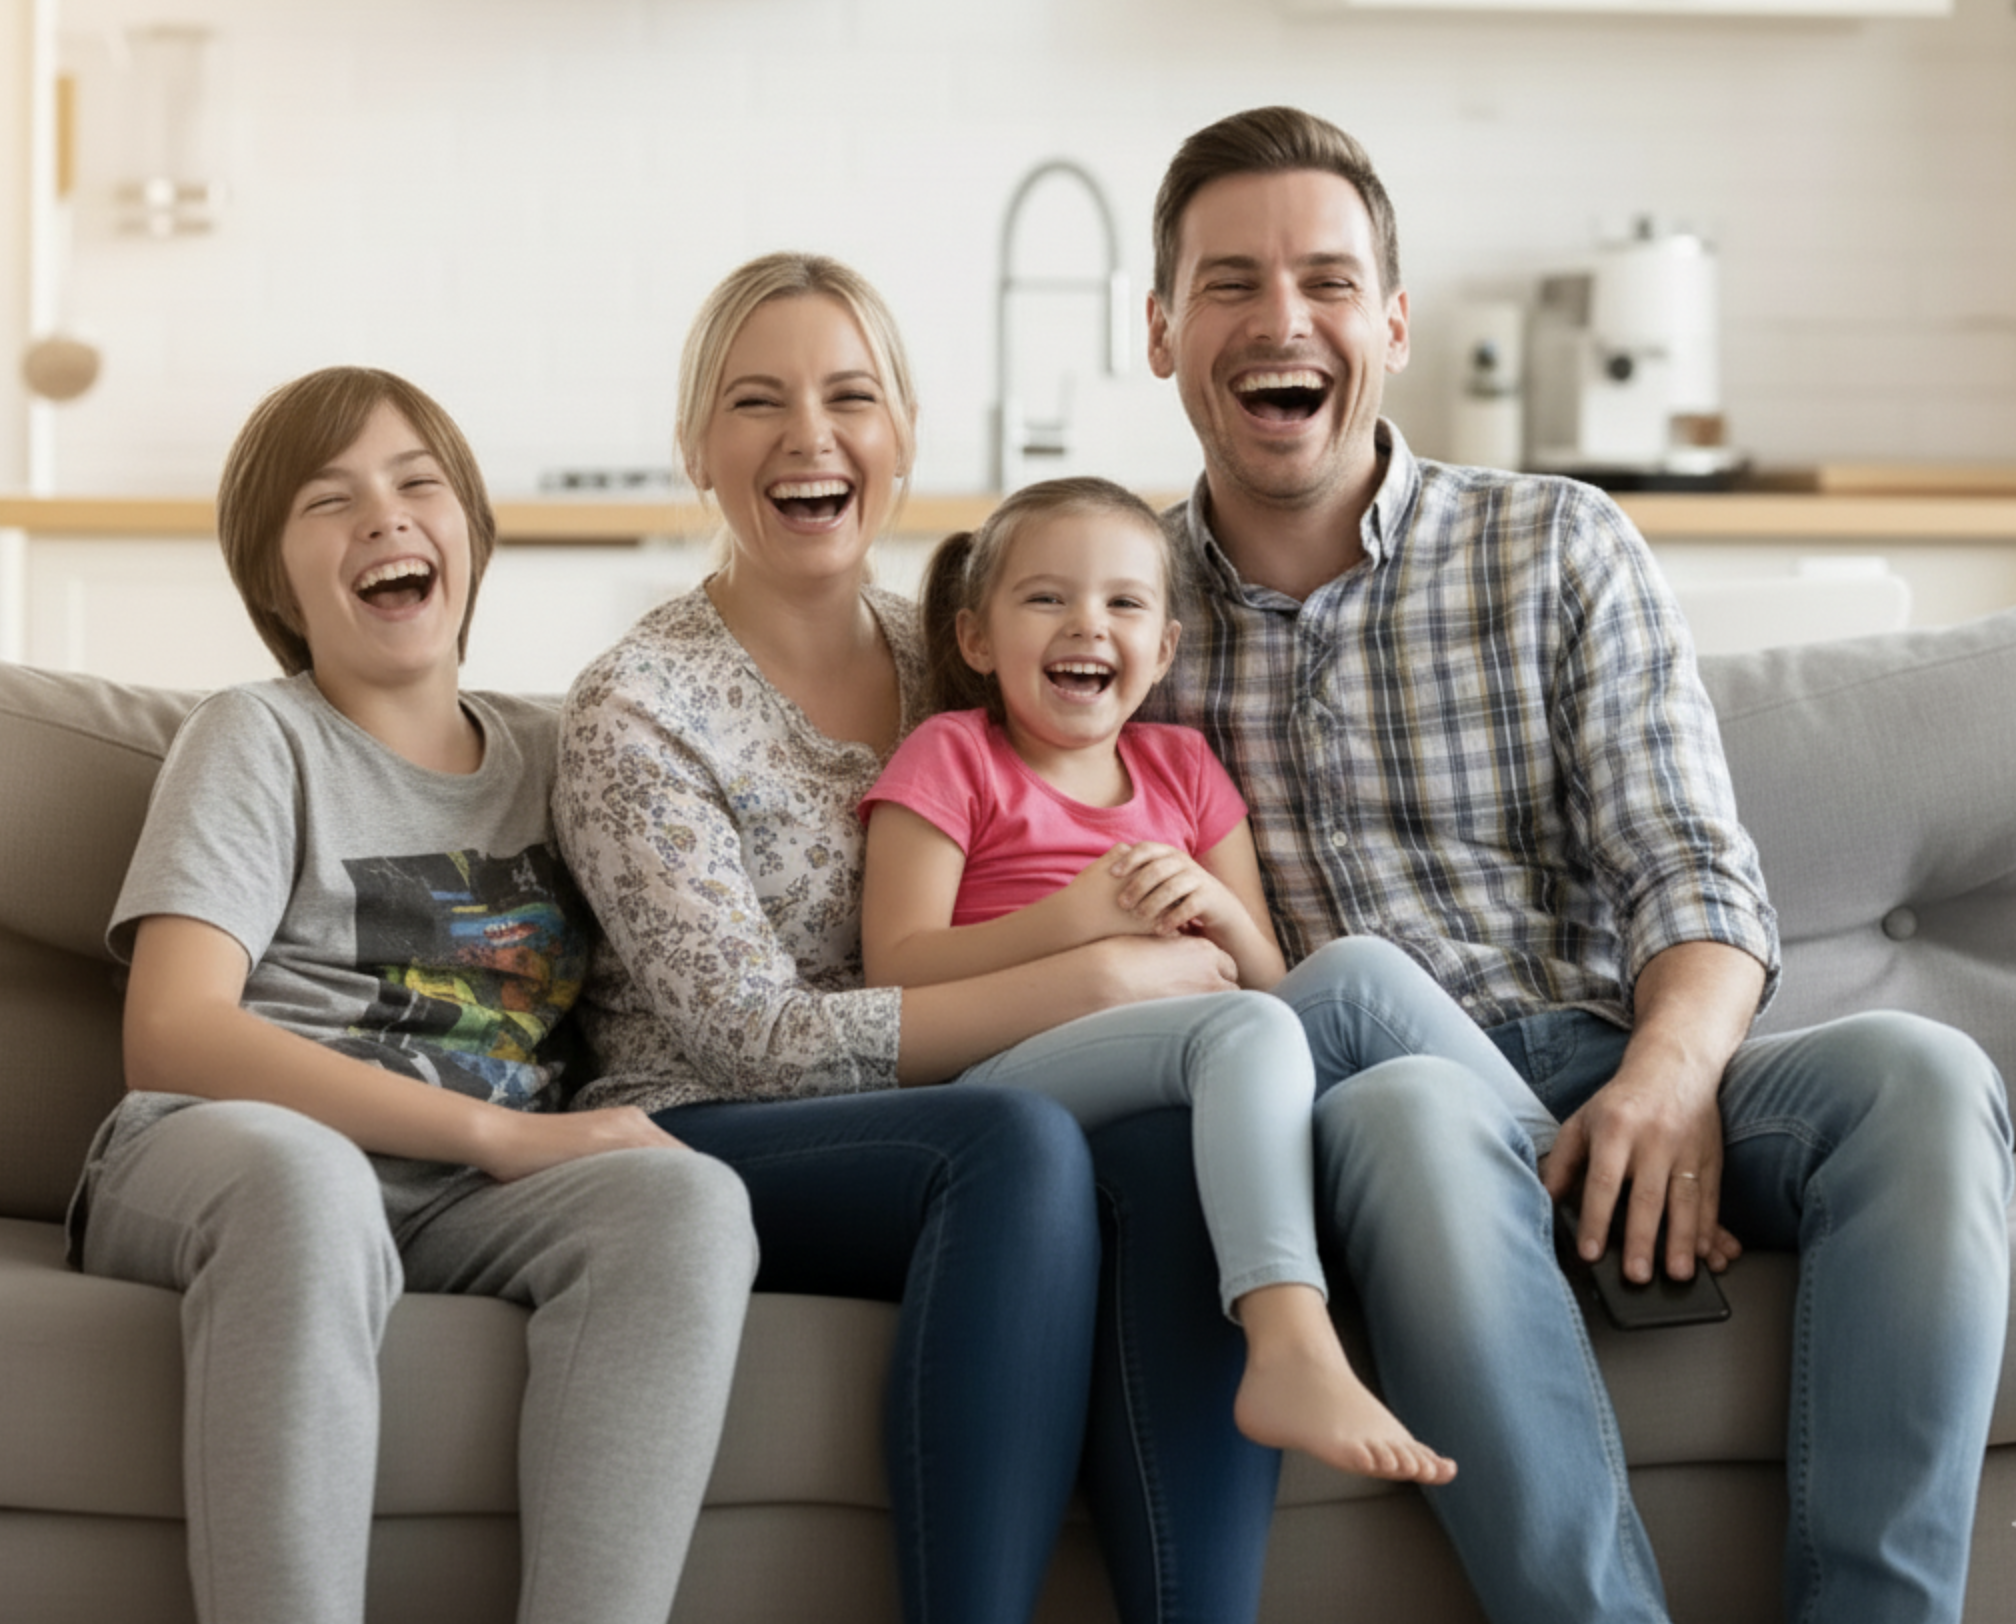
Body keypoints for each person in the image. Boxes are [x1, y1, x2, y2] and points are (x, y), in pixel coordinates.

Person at [1139, 103, 2014, 1624]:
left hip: (1616, 1058)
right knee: (1406, 1096)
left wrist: (1670, 1078)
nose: (1284, 318)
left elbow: (1689, 862)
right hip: (1384, 1110)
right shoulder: (1110, 621)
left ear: (1394, 323)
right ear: (1160, 331)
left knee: (1923, 1077)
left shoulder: (1556, 546)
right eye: (1230, 283)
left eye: (1329, 280)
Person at [552, 254, 1280, 1624]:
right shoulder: (636, 709)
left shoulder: (961, 655)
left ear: (902, 437)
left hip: (971, 1103)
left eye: (851, 398)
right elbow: (754, 1044)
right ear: (699, 449)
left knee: (1168, 1164)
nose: (809, 438)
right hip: (707, 1125)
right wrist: (1105, 975)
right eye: (756, 402)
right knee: (1014, 1145)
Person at [65, 366, 759, 1624]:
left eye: (417, 485)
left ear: (472, 539)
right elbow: (169, 1029)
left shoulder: (561, 757)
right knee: (307, 1178)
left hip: (458, 1202)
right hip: (228, 1153)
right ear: (276, 582)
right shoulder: (256, 737)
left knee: (688, 1202)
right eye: (331, 502)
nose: (384, 518)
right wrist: (501, 1132)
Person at [864, 472, 1568, 1484]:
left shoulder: (1184, 767)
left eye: (1122, 602)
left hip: (1202, 1048)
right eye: (1046, 597)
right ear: (978, 638)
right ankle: (1286, 1342)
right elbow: (898, 966)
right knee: (1245, 1032)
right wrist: (1076, 919)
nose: (1086, 625)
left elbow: (1272, 979)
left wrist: (1214, 900)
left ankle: (1551, 1183)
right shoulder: (954, 756)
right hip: (1006, 1078)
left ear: (1164, 648)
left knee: (1358, 971)